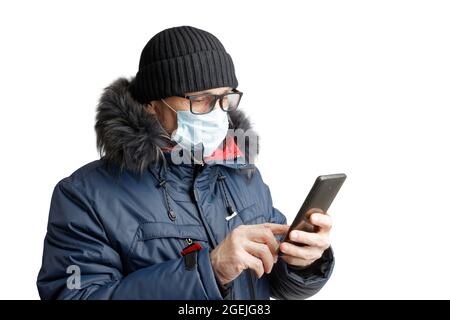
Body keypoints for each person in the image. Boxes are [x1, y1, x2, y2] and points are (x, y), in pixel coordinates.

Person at [37, 26, 334, 300]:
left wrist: (304, 260)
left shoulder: (243, 175)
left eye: (224, 99)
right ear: (151, 106)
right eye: (200, 99)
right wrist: (210, 271)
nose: (218, 114)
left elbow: (277, 283)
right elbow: (73, 296)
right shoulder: (85, 195)